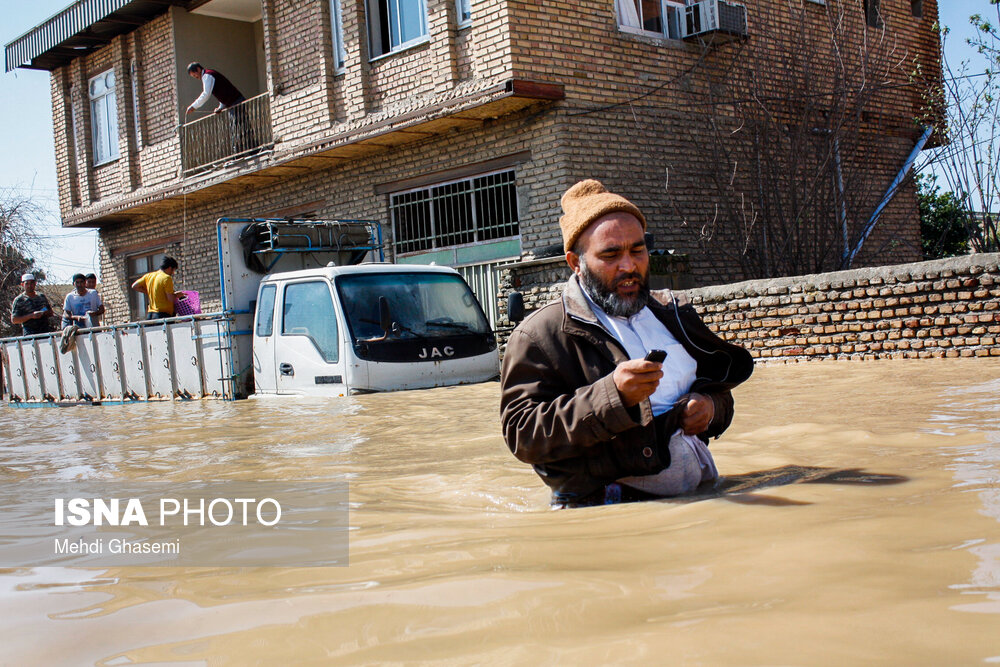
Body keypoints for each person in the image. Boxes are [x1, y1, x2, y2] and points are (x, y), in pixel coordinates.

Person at [500, 180, 754, 509]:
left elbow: (719, 391)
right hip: (608, 514)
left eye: (637, 250)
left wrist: (711, 408)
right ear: (575, 263)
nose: (629, 265)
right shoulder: (539, 335)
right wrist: (613, 396)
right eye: (611, 254)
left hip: (703, 500)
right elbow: (522, 435)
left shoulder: (671, 313)